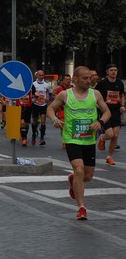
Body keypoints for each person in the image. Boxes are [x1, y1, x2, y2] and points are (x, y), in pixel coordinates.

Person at [47, 66, 110, 220]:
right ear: (75, 79)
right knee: (79, 170)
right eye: (85, 78)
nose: (89, 81)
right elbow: (50, 108)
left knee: (88, 176)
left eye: (90, 78)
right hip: (72, 139)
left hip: (89, 140)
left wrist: (100, 121)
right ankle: (81, 208)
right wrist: (55, 119)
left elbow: (107, 111)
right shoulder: (65, 95)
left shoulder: (95, 94)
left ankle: (72, 179)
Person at [95, 64, 125, 165]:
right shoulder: (102, 83)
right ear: (107, 72)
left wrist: (122, 105)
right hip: (105, 112)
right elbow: (95, 95)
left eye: (115, 70)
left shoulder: (120, 83)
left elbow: (121, 95)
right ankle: (102, 138)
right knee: (110, 134)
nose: (114, 72)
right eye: (111, 70)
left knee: (115, 136)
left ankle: (109, 157)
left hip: (116, 111)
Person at [31, 70, 53, 146]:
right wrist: (33, 98)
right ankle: (33, 134)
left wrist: (48, 99)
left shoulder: (47, 85)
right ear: (37, 76)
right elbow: (30, 94)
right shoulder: (33, 84)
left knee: (43, 120)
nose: (41, 77)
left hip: (43, 104)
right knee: (35, 121)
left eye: (42, 75)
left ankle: (42, 138)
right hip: (35, 104)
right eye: (40, 75)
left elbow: (50, 94)